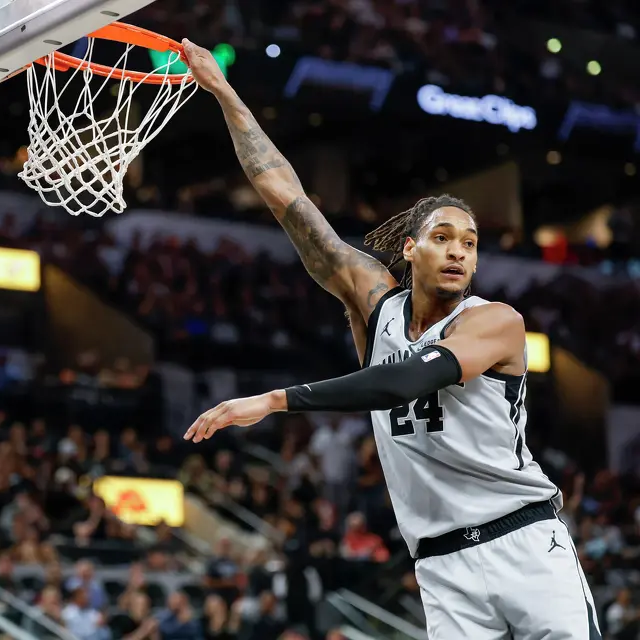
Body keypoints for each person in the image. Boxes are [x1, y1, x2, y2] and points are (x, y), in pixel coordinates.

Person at [180, 39, 600, 640]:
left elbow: (406, 378)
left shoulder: (495, 322)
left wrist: (275, 400)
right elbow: (287, 199)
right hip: (440, 565)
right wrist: (224, 92)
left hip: (524, 541)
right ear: (410, 248)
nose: (458, 250)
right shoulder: (373, 301)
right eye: (443, 237)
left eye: (471, 242)